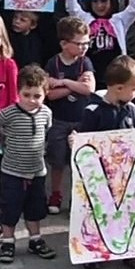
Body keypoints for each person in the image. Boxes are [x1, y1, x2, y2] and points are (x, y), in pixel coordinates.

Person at [73, 55, 135, 269]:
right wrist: (76, 142)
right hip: (100, 174)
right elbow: (85, 141)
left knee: (129, 210)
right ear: (118, 88)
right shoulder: (93, 111)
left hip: (125, 174)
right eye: (134, 88)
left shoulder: (131, 109)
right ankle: (94, 250)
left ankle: (131, 251)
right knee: (98, 211)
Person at [0, 64, 58, 265]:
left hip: (37, 171)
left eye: (37, 96)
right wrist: (2, 141)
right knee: (9, 208)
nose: (31, 100)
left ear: (45, 95)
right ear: (18, 92)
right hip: (12, 171)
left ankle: (35, 240)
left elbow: (47, 132)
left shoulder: (46, 113)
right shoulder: (9, 113)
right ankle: (8, 242)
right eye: (26, 95)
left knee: (35, 208)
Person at [43, 16, 97, 215]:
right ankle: (56, 194)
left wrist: (64, 83)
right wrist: (75, 85)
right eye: (79, 43)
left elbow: (89, 89)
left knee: (80, 159)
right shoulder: (53, 63)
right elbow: (50, 94)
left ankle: (78, 196)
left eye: (87, 43)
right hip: (59, 120)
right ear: (64, 44)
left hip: (81, 120)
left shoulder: (85, 62)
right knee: (57, 161)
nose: (84, 47)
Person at [64, 0, 135, 90]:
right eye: (95, 2)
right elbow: (72, 8)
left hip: (115, 73)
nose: (99, 6)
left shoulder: (118, 20)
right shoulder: (86, 19)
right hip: (90, 72)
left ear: (112, 1)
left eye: (104, 1)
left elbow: (134, 8)